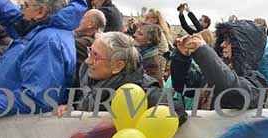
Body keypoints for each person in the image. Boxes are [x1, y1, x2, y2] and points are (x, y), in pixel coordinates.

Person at [58, 32, 186, 121]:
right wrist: (72, 108)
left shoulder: (141, 89)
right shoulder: (86, 73)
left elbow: (178, 111)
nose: (87, 61)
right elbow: (77, 99)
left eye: (95, 56)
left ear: (117, 66)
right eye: (90, 52)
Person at [171, 20, 268, 110]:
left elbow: (231, 91)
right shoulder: (213, 74)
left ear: (244, 46)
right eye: (223, 39)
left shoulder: (257, 83)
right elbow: (184, 86)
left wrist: (204, 51)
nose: (222, 45)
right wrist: (182, 57)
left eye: (228, 41)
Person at [73, 9, 107, 85]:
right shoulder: (96, 39)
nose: (80, 21)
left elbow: (63, 44)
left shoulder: (87, 42)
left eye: (83, 18)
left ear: (91, 24)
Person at [133, 22, 164, 86]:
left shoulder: (153, 63)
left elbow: (149, 85)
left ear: (149, 40)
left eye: (140, 34)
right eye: (136, 32)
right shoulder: (137, 53)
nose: (135, 35)